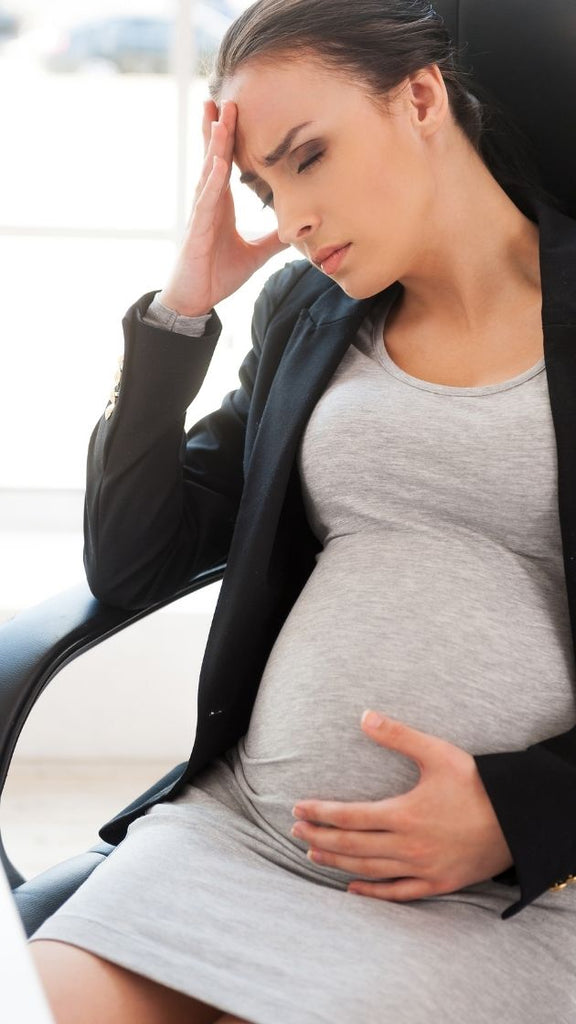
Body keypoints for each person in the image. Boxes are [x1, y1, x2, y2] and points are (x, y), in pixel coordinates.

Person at [26, 0, 576, 1021]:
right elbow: (134, 560)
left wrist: (522, 814)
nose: (289, 219)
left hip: (512, 894)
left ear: (420, 97)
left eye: (307, 157)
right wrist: (182, 309)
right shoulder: (308, 316)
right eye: (263, 186)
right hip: (233, 840)